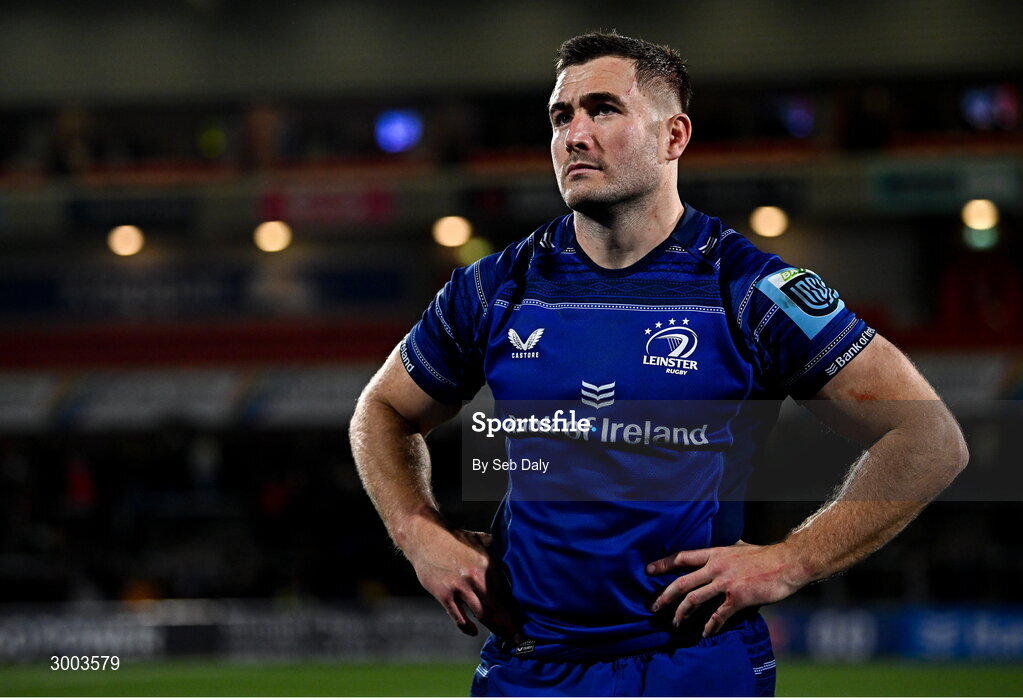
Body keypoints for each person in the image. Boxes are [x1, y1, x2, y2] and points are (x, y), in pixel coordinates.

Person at [350, 31, 968, 697]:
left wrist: (793, 559)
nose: (574, 135)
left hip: (690, 666)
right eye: (561, 117)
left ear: (673, 137)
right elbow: (380, 410)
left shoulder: (749, 290)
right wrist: (417, 533)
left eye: (603, 110)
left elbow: (929, 438)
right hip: (525, 666)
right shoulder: (494, 287)